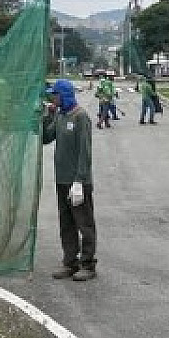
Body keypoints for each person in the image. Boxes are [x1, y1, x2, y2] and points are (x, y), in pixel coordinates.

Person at [42, 79, 97, 281]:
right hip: (62, 179)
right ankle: (70, 261)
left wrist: (80, 180)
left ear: (63, 95)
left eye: (54, 95)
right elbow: (46, 138)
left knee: (84, 223)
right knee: (66, 223)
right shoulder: (60, 116)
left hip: (78, 182)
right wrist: (46, 117)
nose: (52, 98)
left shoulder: (80, 116)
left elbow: (85, 151)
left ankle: (88, 264)